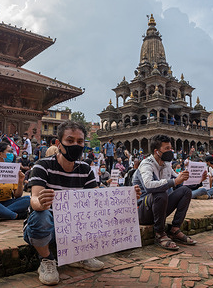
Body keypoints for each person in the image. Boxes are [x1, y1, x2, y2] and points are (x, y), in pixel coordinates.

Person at [24, 121, 141, 285]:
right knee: (39, 217)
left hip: (73, 228)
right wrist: (41, 203)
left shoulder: (85, 169)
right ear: (59, 144)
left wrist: (127, 199)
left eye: (79, 142)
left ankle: (78, 255)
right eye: (70, 141)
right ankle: (47, 260)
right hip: (47, 226)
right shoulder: (42, 166)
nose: (75, 145)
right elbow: (34, 198)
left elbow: (97, 203)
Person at [133, 134, 200, 250]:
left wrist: (198, 180)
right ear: (157, 151)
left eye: (171, 148)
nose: (170, 151)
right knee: (161, 191)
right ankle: (159, 233)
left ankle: (175, 229)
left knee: (185, 191)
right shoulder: (146, 164)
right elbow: (149, 186)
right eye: (167, 149)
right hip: (143, 211)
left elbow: (178, 180)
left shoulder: (166, 164)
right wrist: (174, 182)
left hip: (159, 208)